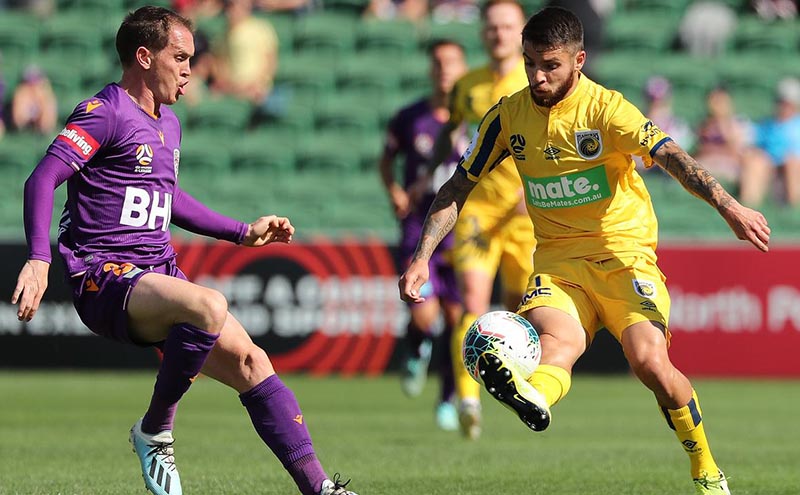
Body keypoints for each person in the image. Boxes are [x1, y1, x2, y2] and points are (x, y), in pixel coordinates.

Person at [400, 7, 770, 495]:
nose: (537, 75)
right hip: (559, 263)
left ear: (579, 60)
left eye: (549, 65)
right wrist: (423, 255)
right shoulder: (508, 115)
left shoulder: (608, 110)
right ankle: (530, 394)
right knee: (558, 345)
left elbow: (672, 156)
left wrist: (729, 206)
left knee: (650, 363)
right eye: (530, 62)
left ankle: (705, 465)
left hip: (624, 257)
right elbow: (457, 186)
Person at [10, 7, 357, 495]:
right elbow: (43, 177)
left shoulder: (169, 124)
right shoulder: (105, 111)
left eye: (193, 58)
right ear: (145, 56)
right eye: (181, 57)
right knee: (209, 304)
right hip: (103, 275)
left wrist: (242, 231)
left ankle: (320, 487)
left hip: (156, 272)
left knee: (253, 364)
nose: (191, 69)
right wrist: (39, 259)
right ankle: (155, 428)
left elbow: (167, 198)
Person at [421, 0, 534, 441]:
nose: (498, 34)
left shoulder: (538, 81)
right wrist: (425, 178)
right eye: (491, 27)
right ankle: (466, 398)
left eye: (507, 27)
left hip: (527, 214)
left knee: (525, 308)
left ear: (521, 31)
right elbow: (451, 137)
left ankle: (517, 383)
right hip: (480, 213)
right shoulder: (467, 86)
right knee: (472, 302)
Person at [379, 39, 469, 432]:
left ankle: (448, 399)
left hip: (465, 227)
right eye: (438, 63)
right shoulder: (410, 116)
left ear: (464, 69)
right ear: (431, 70)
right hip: (421, 224)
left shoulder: (476, 117)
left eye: (452, 62)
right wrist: (396, 191)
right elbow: (386, 160)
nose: (445, 69)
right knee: (426, 312)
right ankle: (416, 343)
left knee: (457, 320)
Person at [693, 85, 766, 205]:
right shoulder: (702, 126)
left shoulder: (739, 124)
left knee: (757, 162)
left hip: (732, 167)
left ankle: (749, 205)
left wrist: (723, 124)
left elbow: (740, 152)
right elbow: (697, 152)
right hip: (707, 165)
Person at [741, 76, 800, 206]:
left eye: (787, 103)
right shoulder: (767, 124)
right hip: (769, 164)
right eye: (781, 102)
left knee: (792, 163)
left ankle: (794, 210)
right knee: (755, 162)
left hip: (793, 164)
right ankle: (750, 209)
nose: (783, 106)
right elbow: (754, 145)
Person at [10, 64, 58, 135]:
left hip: (41, 129)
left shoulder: (45, 93)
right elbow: (18, 119)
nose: (33, 84)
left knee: (48, 105)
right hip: (22, 128)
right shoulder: (21, 92)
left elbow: (48, 121)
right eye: (30, 80)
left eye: (35, 80)